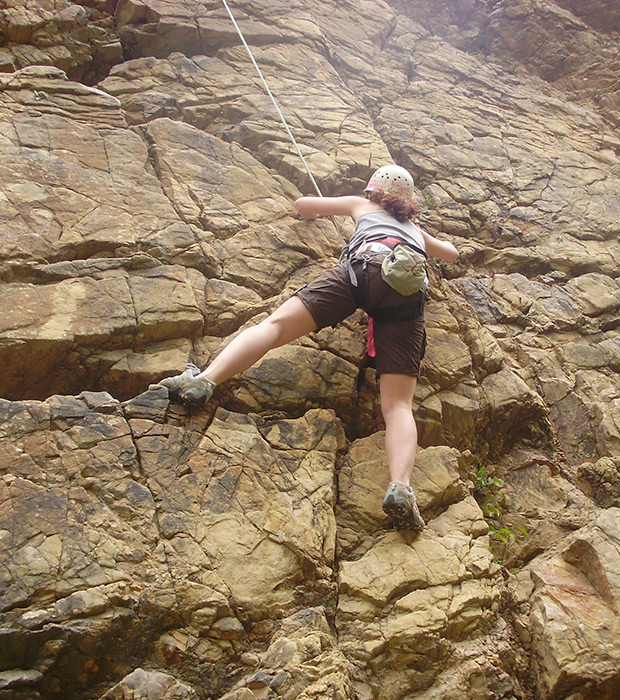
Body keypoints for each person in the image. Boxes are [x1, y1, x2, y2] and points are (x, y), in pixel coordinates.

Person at [159, 165, 459, 531]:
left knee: (274, 327)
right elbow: (453, 253)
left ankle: (203, 381)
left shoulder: (362, 206)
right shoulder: (416, 231)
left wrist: (333, 212)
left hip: (362, 270)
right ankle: (400, 487)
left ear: (372, 192)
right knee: (397, 405)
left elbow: (303, 205)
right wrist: (417, 234)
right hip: (406, 296)